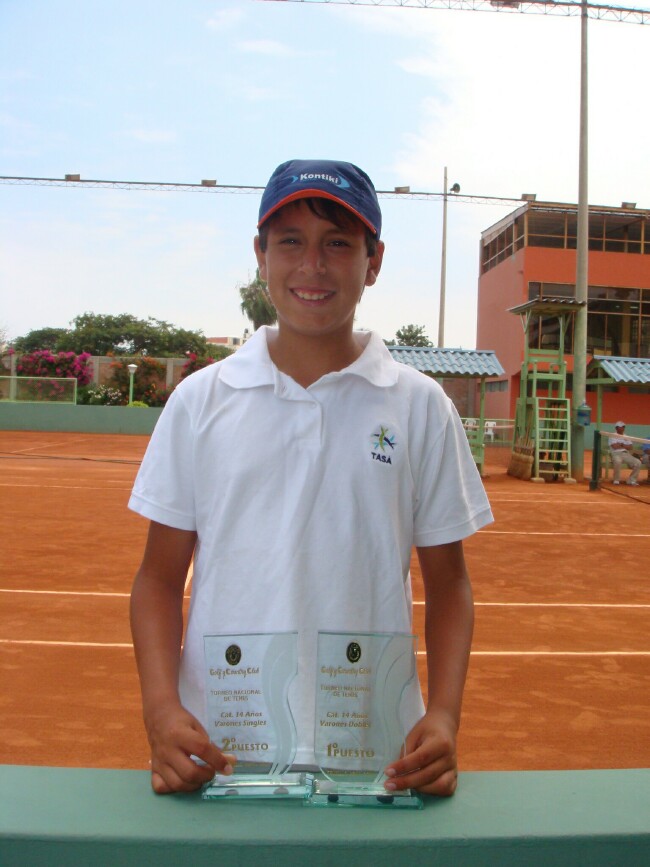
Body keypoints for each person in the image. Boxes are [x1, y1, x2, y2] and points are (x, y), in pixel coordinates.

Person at [129, 158, 493, 798]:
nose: (313, 266)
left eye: (338, 245)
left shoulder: (419, 405)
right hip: (222, 761)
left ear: (372, 261)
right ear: (261, 256)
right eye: (290, 241)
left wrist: (443, 713)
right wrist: (161, 709)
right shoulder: (202, 401)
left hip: (374, 761)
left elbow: (450, 584)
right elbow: (158, 579)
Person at [609, 421, 641, 486]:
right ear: (616, 428)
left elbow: (630, 447)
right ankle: (616, 480)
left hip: (626, 454)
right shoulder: (612, 436)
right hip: (616, 454)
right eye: (620, 427)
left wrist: (620, 445)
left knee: (638, 462)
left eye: (623, 427)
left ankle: (631, 480)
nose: (621, 428)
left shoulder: (626, 437)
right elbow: (614, 446)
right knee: (617, 461)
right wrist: (624, 445)